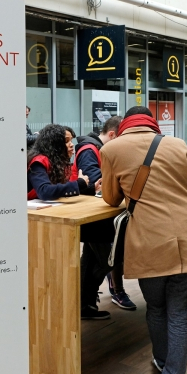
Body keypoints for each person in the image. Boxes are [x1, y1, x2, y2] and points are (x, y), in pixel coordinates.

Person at [101, 106, 187, 374]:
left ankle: (163, 363)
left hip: (150, 242)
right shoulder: (177, 145)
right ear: (153, 124)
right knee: (180, 311)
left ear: (125, 125)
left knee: (156, 307)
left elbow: (112, 199)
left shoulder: (111, 149)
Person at [72, 116, 137, 311]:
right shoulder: (90, 150)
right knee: (108, 260)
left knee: (94, 258)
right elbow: (97, 182)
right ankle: (87, 303)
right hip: (92, 216)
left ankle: (86, 305)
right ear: (112, 134)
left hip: (98, 214)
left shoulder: (96, 149)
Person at [27, 123, 99, 201]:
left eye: (71, 140)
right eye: (66, 141)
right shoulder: (38, 162)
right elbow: (45, 191)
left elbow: (59, 190)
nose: (72, 145)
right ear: (54, 144)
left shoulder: (58, 162)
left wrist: (90, 189)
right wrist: (79, 184)